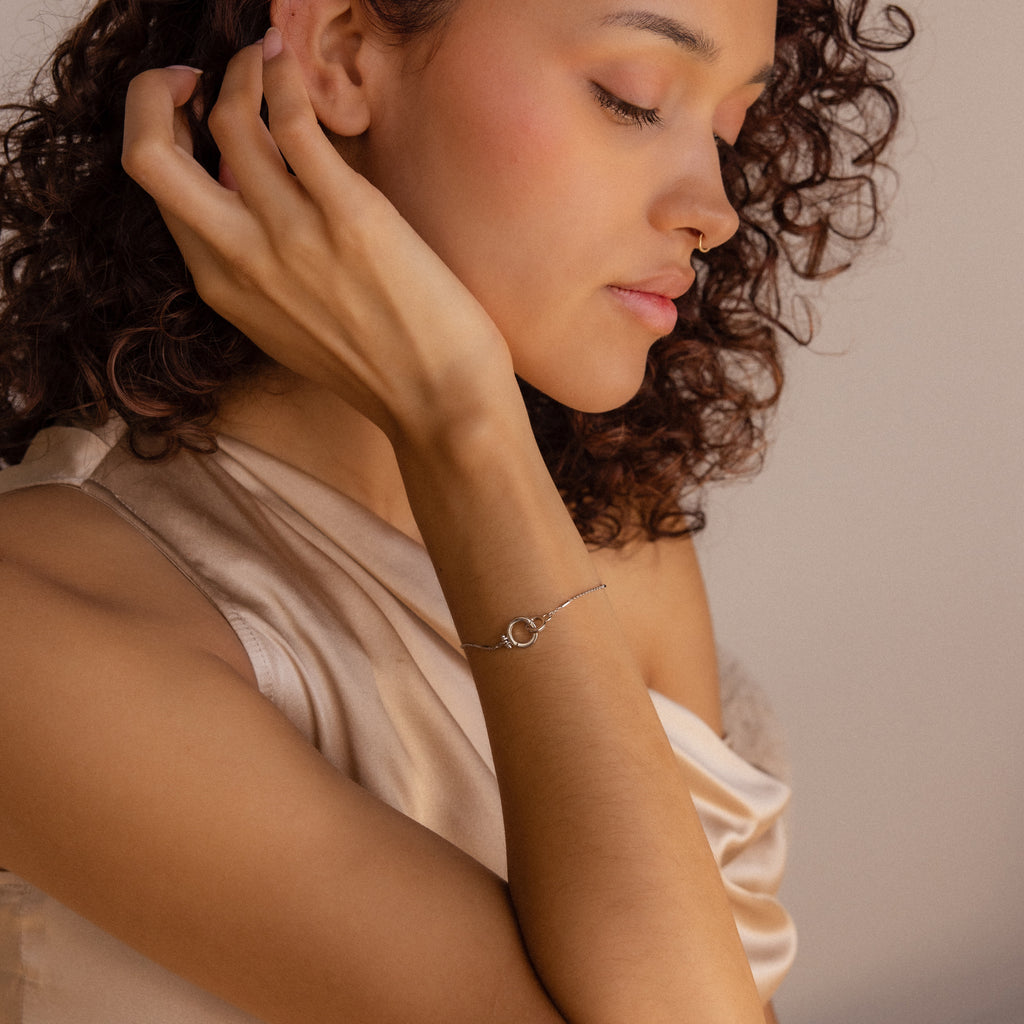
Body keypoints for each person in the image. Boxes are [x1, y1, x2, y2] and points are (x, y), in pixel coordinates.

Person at [0, 0, 912, 1020]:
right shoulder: (32, 624)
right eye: (631, 98)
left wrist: (469, 435)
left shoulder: (617, 533)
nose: (713, 208)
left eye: (727, 130)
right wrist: (460, 423)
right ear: (341, 53)